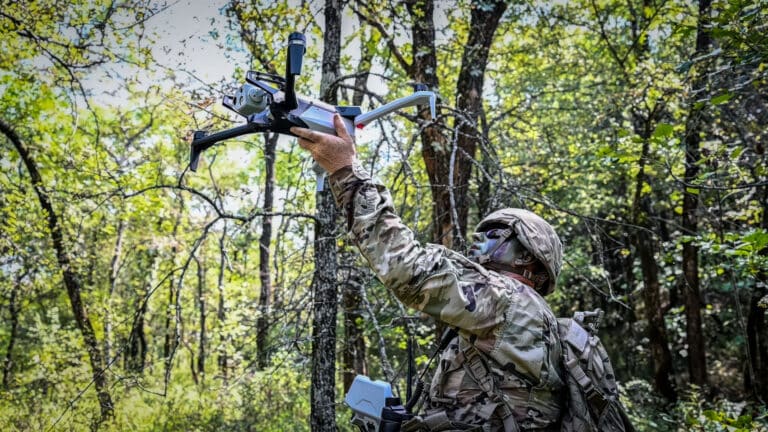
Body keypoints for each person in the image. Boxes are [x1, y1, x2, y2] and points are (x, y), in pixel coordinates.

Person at [292, 115, 566, 431]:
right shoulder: (529, 314)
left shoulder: (507, 299)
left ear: (526, 260)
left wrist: (345, 170)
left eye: (495, 235)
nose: (479, 238)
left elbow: (406, 267)